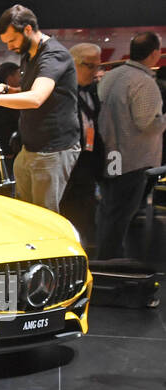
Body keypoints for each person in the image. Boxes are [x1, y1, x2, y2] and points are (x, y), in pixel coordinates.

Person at [0, 5, 79, 212]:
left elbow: (36, 98)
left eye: (12, 41)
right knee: (25, 212)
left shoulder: (53, 55)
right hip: (30, 146)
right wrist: (7, 89)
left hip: (52, 148)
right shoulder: (28, 54)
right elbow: (29, 90)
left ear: (27, 29)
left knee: (44, 216)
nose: (9, 48)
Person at [96, 32, 166, 259]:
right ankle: (111, 258)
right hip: (134, 158)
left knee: (110, 207)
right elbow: (148, 124)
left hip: (110, 153)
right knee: (122, 211)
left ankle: (105, 252)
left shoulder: (112, 75)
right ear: (155, 53)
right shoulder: (144, 82)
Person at [59, 43, 104, 247]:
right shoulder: (59, 91)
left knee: (85, 216)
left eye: (98, 66)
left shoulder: (92, 91)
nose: (96, 72)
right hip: (65, 166)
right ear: (73, 64)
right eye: (90, 66)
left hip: (87, 164)